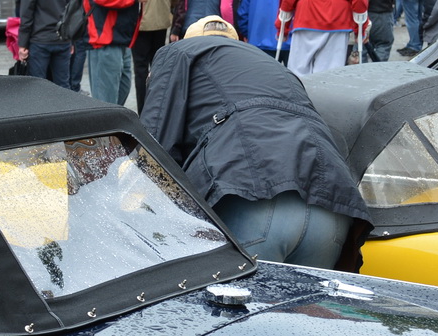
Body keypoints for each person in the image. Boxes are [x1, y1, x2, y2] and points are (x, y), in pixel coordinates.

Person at [140, 16, 369, 270]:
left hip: (251, 195)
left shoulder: (178, 51)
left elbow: (155, 141)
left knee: (226, 297)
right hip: (332, 208)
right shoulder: (275, 67)